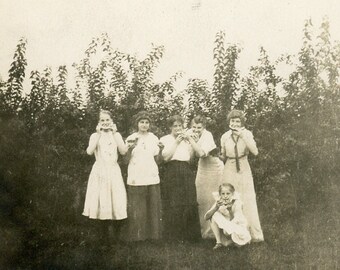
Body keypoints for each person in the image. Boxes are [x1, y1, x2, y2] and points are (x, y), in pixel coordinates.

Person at [83, 110, 128, 241]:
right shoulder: (95, 136)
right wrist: (98, 134)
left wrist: (115, 135)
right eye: (102, 120)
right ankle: (103, 237)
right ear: (99, 122)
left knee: (116, 200)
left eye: (107, 120)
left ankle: (116, 236)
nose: (105, 123)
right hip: (100, 171)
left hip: (113, 170)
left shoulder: (117, 135)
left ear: (112, 121)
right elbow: (89, 151)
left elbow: (123, 151)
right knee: (101, 200)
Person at [220, 109, 264, 242]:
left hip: (243, 166)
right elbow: (223, 155)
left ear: (242, 122)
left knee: (247, 198)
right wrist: (215, 155)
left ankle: (252, 234)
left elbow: (255, 152)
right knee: (230, 198)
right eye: (232, 121)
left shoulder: (247, 134)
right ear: (229, 122)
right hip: (229, 167)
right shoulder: (225, 136)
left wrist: (243, 135)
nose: (235, 123)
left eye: (238, 121)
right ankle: (231, 235)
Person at [159, 115, 203, 241]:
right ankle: (173, 236)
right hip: (172, 170)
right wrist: (177, 141)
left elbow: (192, 158)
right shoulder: (165, 139)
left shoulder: (187, 139)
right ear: (170, 127)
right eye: (175, 126)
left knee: (189, 201)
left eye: (180, 126)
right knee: (174, 202)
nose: (178, 128)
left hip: (185, 169)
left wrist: (191, 140)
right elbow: (166, 158)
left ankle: (190, 236)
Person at [122, 111, 162, 241]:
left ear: (149, 125)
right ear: (137, 124)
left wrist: (161, 150)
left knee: (153, 208)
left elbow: (158, 160)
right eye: (142, 122)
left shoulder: (154, 138)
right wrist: (130, 148)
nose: (144, 125)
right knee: (137, 208)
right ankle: (138, 237)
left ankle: (153, 237)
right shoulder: (131, 138)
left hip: (151, 176)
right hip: (136, 177)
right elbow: (125, 160)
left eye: (146, 122)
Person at [190, 115, 224, 239]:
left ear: (203, 127)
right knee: (202, 199)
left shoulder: (207, 135)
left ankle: (217, 231)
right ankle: (205, 231)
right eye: (194, 127)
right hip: (203, 167)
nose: (196, 129)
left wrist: (190, 139)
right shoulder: (190, 132)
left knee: (215, 198)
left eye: (199, 127)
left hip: (214, 167)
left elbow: (201, 153)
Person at [204, 183, 251, 250]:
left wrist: (230, 211)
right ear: (220, 194)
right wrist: (216, 208)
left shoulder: (237, 203)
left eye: (228, 193)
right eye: (223, 194)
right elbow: (206, 217)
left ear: (232, 194)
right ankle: (219, 243)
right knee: (214, 214)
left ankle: (238, 241)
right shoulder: (219, 202)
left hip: (237, 227)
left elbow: (237, 220)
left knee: (234, 240)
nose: (225, 196)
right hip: (226, 228)